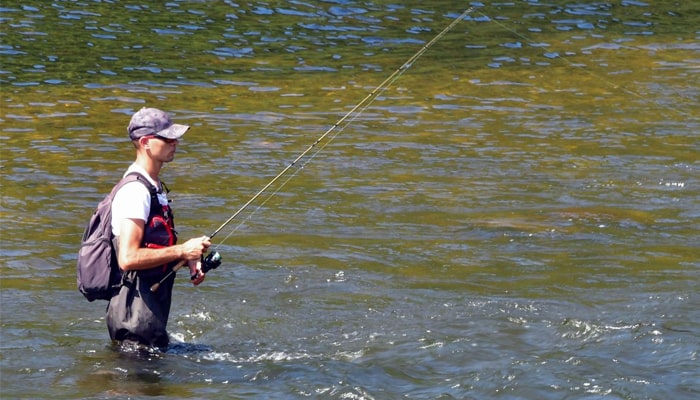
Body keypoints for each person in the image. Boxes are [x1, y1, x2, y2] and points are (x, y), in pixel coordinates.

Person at [106, 107, 211, 351]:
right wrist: (182, 251)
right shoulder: (135, 191)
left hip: (148, 319)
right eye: (167, 138)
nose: (175, 143)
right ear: (145, 142)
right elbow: (128, 258)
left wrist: (189, 259)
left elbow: (150, 247)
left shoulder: (153, 187)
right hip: (135, 322)